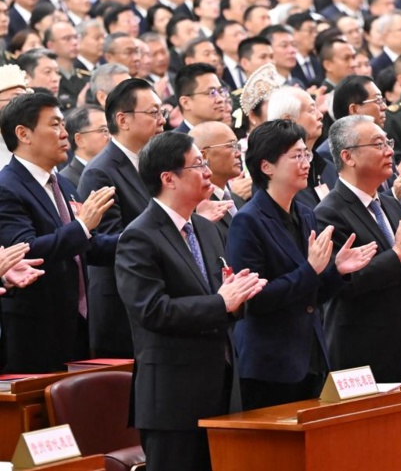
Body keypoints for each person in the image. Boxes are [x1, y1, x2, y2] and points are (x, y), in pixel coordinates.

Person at [115, 131, 266, 471]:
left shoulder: (206, 228)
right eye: (198, 164)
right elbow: (152, 311)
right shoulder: (139, 236)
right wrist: (221, 303)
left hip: (222, 387)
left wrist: (240, 296)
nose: (208, 172)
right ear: (168, 178)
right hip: (172, 398)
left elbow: (221, 298)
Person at [227, 120, 376, 409]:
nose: (306, 162)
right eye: (296, 156)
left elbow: (312, 295)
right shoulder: (248, 221)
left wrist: (337, 272)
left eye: (306, 154)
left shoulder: (306, 215)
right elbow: (254, 300)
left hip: (310, 356)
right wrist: (310, 270)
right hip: (270, 365)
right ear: (266, 166)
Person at [315, 114, 401, 381]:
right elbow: (345, 283)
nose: (390, 150)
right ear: (348, 157)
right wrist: (397, 254)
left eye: (388, 142)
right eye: (378, 144)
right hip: (363, 352)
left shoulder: (390, 204)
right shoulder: (328, 213)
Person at [0, 92, 117, 372]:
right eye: (54, 125)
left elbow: (89, 246)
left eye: (64, 125)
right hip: (34, 333)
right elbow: (27, 252)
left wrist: (140, 240)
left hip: (77, 324)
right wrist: (81, 227)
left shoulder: (62, 184)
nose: (65, 133)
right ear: (23, 134)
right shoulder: (6, 187)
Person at [78, 78, 166, 357]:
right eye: (153, 113)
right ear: (123, 120)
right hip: (121, 305)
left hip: (154, 294)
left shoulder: (154, 162)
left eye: (161, 112)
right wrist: (165, 236)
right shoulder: (101, 171)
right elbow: (98, 244)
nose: (161, 120)